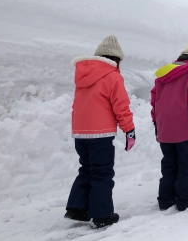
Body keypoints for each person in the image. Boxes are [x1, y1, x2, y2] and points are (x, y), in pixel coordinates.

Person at [66, 35, 135, 229]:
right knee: (102, 173)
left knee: (86, 169)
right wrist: (129, 129)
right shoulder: (113, 76)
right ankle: (102, 214)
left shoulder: (81, 76)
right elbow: (121, 106)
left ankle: (77, 208)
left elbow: (76, 105)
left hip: (80, 133)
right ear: (116, 59)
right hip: (101, 134)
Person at [151, 42, 188, 212]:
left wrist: (156, 121)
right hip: (184, 128)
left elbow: (154, 100)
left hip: (164, 127)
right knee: (185, 164)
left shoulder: (163, 73)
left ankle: (165, 200)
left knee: (168, 164)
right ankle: (184, 200)